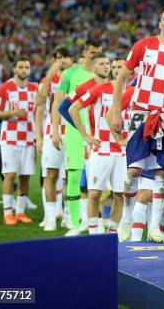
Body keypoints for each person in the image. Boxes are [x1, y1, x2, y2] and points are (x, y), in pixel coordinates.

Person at [111, 5, 164, 243]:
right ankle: (126, 218)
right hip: (141, 114)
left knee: (162, 173)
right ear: (160, 24)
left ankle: (154, 227)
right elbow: (122, 77)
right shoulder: (144, 46)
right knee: (133, 171)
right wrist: (115, 110)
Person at [69, 56, 127, 235]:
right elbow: (72, 108)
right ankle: (94, 232)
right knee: (94, 193)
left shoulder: (132, 91)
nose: (115, 69)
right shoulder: (99, 89)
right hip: (101, 149)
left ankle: (112, 232)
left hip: (122, 151)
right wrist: (86, 136)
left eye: (119, 66)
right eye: (114, 67)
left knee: (120, 194)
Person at [54, 40, 102, 234]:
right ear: (84, 52)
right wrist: (55, 129)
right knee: (73, 177)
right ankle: (74, 222)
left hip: (98, 134)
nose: (95, 56)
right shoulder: (71, 74)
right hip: (75, 134)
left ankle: (93, 221)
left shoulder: (103, 77)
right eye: (92, 52)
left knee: (97, 180)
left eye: (98, 52)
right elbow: (59, 104)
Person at [0, 57, 38, 226]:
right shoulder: (5, 88)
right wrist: (11, 114)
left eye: (27, 67)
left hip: (29, 138)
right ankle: (7, 213)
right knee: (10, 175)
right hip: (10, 139)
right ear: (14, 69)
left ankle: (20, 212)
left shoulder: (35, 88)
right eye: (21, 67)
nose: (24, 70)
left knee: (25, 176)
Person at [36, 47, 73, 231]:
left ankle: (67, 215)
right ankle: (50, 216)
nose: (62, 61)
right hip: (53, 130)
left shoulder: (76, 77)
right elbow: (40, 100)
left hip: (73, 132)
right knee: (51, 174)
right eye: (58, 58)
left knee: (70, 176)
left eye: (65, 57)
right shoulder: (49, 80)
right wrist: (50, 74)